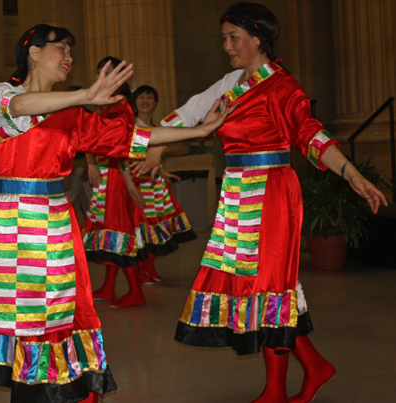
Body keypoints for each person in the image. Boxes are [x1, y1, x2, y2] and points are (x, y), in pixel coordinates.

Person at [0, 24, 234, 403]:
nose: (69, 57)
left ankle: (64, 385)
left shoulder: (72, 115)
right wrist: (84, 95)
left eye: (72, 51)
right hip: (13, 221)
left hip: (56, 220)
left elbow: (134, 139)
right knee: (24, 312)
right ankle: (34, 388)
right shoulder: (1, 95)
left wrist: (200, 130)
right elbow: (20, 107)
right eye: (61, 48)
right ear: (34, 53)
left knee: (60, 308)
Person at [161, 3, 388, 403]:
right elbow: (194, 115)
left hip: (270, 194)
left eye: (234, 37)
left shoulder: (283, 87)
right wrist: (152, 144)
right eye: (224, 38)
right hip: (238, 192)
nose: (227, 45)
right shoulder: (236, 87)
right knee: (256, 288)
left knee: (268, 289)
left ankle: (275, 390)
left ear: (259, 38)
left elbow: (310, 134)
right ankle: (315, 368)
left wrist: (350, 172)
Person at [82, 56, 150, 308]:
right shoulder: (108, 106)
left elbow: (124, 149)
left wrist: (130, 183)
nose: (104, 76)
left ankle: (135, 291)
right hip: (109, 173)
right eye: (101, 72)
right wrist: (90, 162)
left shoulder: (121, 107)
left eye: (110, 72)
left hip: (118, 175)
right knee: (108, 230)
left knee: (117, 230)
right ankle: (109, 287)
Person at [131, 85, 197, 283]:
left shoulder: (156, 126)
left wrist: (163, 172)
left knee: (161, 225)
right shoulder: (131, 125)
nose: (145, 101)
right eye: (141, 97)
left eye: (149, 97)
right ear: (135, 102)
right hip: (138, 182)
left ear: (155, 102)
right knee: (143, 227)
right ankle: (142, 268)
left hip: (155, 184)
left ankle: (149, 265)